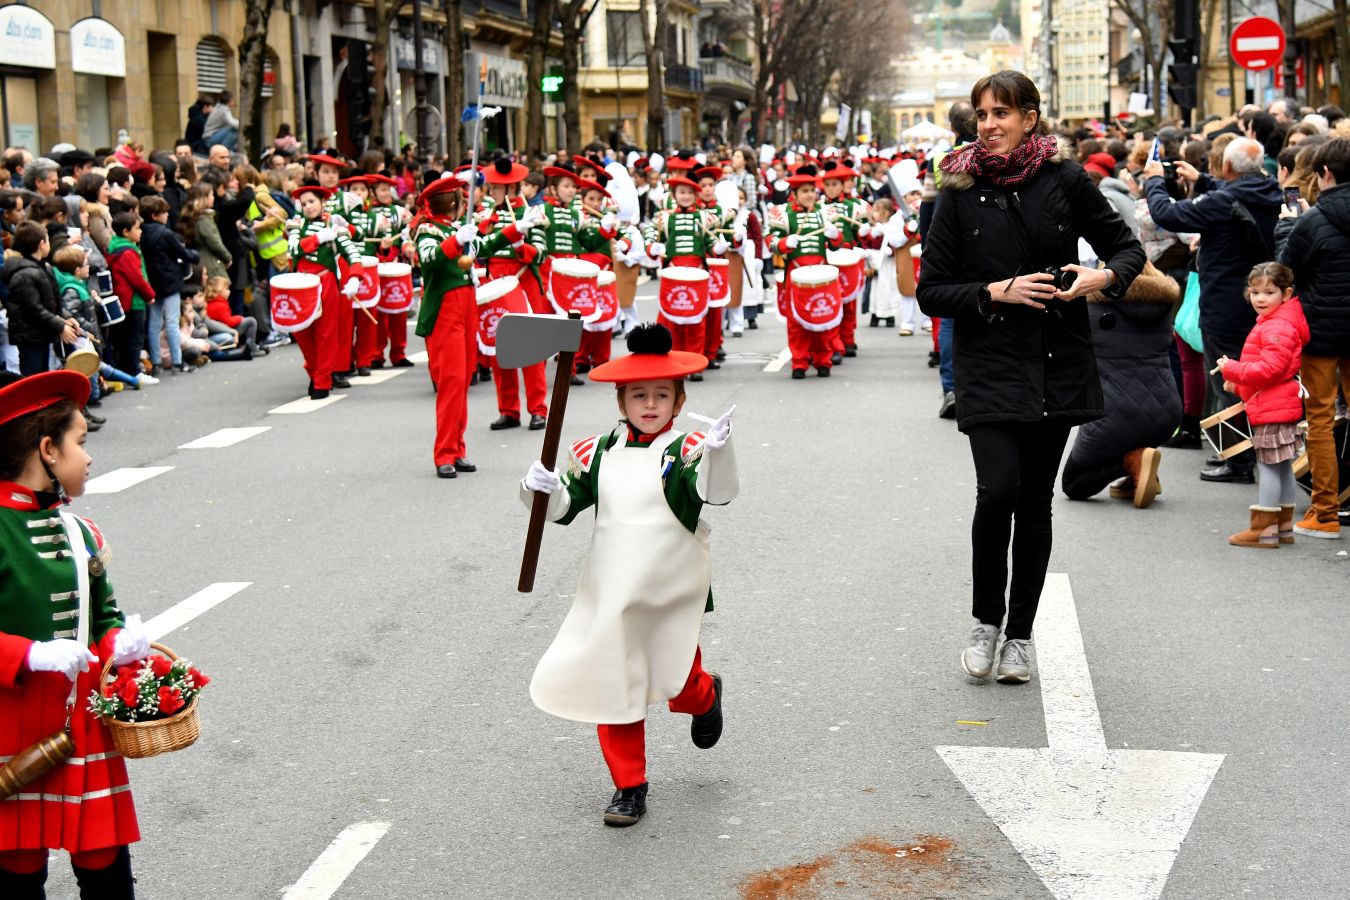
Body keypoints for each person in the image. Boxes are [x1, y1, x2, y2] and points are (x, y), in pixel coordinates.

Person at [917, 71, 1145, 684]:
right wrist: (997, 290)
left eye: (1002, 113)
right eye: (981, 114)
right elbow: (930, 290)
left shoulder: (1066, 180)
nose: (989, 125)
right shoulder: (957, 190)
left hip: (1057, 360)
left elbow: (1128, 251)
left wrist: (1101, 278)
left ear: (1030, 117)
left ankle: (1020, 636)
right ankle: (985, 622)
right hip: (989, 362)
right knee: (996, 493)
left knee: (1036, 502)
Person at [518, 323, 737, 827]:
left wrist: (719, 452)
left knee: (679, 681)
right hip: (612, 592)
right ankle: (629, 786)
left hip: (670, 591)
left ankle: (705, 698)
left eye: (662, 394)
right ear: (621, 400)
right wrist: (542, 489)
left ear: (679, 401)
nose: (650, 404)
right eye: (639, 394)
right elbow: (565, 506)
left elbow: (716, 492)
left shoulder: (686, 451)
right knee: (612, 685)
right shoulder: (597, 452)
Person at [0, 369, 149, 896]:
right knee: (18, 872)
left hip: (79, 725)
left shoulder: (78, 530)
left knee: (106, 868)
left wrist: (120, 646)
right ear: (46, 450)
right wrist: (28, 654)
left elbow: (102, 616)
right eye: (80, 443)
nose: (88, 457)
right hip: (10, 730)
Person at [1144, 137, 1283, 484]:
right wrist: (1205, 181)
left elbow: (1168, 214)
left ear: (1227, 167)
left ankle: (1239, 462)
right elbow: (1237, 194)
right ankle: (1255, 454)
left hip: (1223, 303)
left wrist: (1153, 181)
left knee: (1227, 382)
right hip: (1259, 300)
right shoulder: (1270, 191)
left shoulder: (1224, 201)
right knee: (1250, 379)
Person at [415, 177, 522, 477]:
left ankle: (457, 448)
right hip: (444, 310)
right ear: (451, 203)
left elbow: (485, 245)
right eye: (460, 199)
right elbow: (429, 259)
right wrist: (456, 241)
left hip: (466, 306)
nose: (465, 204)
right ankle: (444, 453)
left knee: (462, 380)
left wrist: (517, 230)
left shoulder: (454, 230)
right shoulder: (427, 229)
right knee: (450, 382)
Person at [1060, 262, 1181, 507]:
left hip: (1112, 414)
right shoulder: (1164, 305)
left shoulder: (1093, 306)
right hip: (1166, 411)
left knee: (1073, 484)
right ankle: (1136, 475)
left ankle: (1131, 462)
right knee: (1132, 432)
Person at [1277, 137, 1350, 538]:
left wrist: (1288, 224)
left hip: (1321, 333)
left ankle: (1325, 513)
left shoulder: (1313, 220)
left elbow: (1284, 271)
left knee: (1320, 422)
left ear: (1325, 173)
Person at [1216, 263, 1309, 547]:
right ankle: (1283, 527)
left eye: (1269, 292)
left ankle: (1264, 530)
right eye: (1255, 291)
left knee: (1269, 465)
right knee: (1282, 465)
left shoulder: (1277, 325)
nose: (1260, 298)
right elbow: (1273, 370)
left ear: (1286, 292)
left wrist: (1232, 369)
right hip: (1278, 402)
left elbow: (1269, 369)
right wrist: (1240, 383)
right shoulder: (1277, 321)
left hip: (1273, 406)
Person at [285, 185, 364, 399]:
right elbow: (292, 249)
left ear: (322, 202)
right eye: (304, 204)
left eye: (311, 202)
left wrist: (355, 278)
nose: (308, 207)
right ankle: (314, 372)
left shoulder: (334, 225)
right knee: (301, 331)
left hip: (326, 282)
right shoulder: (297, 224)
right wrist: (318, 239)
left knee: (326, 332)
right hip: (301, 284)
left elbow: (352, 253)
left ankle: (322, 380)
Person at [2, 223, 80, 376]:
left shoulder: (42, 268)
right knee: (33, 379)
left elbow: (50, 302)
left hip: (41, 333)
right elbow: (34, 309)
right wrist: (60, 326)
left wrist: (66, 317)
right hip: (30, 336)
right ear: (41, 244)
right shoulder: (24, 274)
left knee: (42, 376)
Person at [139, 196, 198, 373]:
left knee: (154, 323)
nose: (167, 215)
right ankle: (177, 361)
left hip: (152, 280)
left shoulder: (142, 232)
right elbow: (184, 253)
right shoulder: (166, 234)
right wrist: (194, 255)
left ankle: (156, 361)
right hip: (170, 280)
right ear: (156, 215)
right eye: (164, 212)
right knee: (172, 321)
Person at [105, 212, 156, 375]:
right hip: (133, 301)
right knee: (135, 338)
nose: (140, 231)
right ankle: (134, 371)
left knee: (124, 338)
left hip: (125, 301)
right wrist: (150, 294)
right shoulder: (127, 252)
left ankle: (127, 370)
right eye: (137, 228)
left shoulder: (115, 247)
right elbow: (137, 278)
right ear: (126, 232)